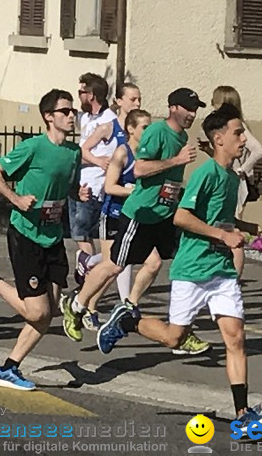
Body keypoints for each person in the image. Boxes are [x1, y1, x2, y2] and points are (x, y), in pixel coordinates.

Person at [94, 106, 262, 435]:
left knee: (236, 338)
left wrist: (242, 226)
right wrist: (223, 234)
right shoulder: (206, 174)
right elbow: (181, 217)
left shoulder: (233, 177)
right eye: (238, 132)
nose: (244, 138)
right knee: (174, 336)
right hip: (192, 269)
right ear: (218, 139)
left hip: (220, 270)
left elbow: (219, 218)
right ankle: (128, 320)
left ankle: (242, 412)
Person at [60, 88, 202, 346]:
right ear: (173, 108)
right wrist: (175, 160)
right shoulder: (158, 133)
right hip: (140, 214)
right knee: (114, 264)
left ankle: (132, 307)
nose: (192, 114)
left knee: (173, 263)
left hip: (163, 214)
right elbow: (139, 168)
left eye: (195, 109)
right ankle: (77, 304)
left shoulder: (183, 137)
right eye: (187, 108)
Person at [0, 89, 82, 391]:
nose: (71, 116)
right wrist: (15, 198)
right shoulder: (33, 147)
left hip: (52, 238)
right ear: (48, 117)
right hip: (26, 235)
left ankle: (9, 368)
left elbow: (66, 186)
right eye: (65, 111)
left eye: (73, 112)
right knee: (36, 312)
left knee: (51, 312)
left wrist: (77, 194)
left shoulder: (73, 152)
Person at [96, 110, 163, 322]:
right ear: (131, 129)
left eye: (151, 127)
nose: (149, 131)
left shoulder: (151, 156)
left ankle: (129, 305)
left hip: (137, 218)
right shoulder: (122, 153)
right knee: (113, 268)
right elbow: (109, 187)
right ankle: (85, 306)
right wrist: (134, 192)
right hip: (114, 214)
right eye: (145, 127)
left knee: (154, 263)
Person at [70, 73, 118, 318]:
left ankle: (88, 278)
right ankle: (87, 280)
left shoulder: (108, 121)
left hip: (94, 186)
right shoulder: (87, 117)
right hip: (80, 182)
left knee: (83, 233)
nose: (79, 96)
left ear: (93, 95)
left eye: (82, 92)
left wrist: (95, 160)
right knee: (78, 234)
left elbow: (105, 157)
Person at [207, 86, 262, 278]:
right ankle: (226, 275)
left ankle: (234, 279)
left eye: (214, 100)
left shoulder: (239, 128)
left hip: (236, 183)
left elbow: (258, 150)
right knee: (226, 226)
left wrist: (242, 170)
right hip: (229, 178)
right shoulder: (230, 127)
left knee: (232, 228)